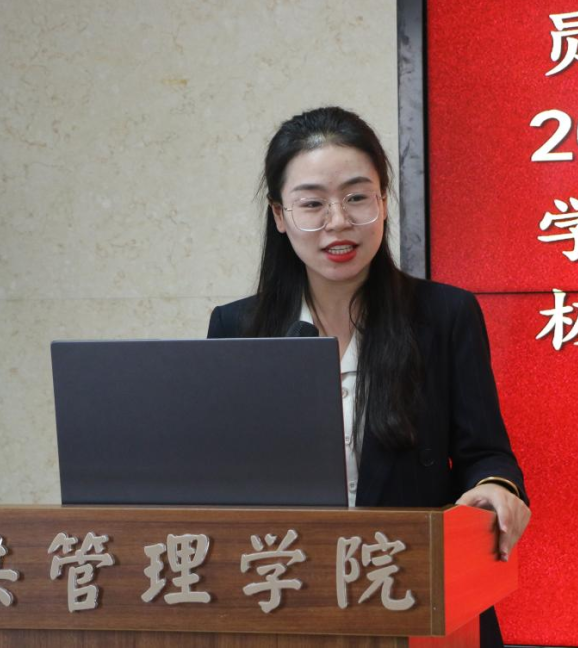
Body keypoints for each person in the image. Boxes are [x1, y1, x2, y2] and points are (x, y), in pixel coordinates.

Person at [206, 106, 529, 646]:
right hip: (287, 596)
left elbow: (485, 454)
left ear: (382, 201)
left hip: (414, 594)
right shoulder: (238, 328)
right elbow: (217, 477)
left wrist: (495, 487)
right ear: (280, 215)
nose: (338, 221)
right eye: (313, 203)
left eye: (357, 197)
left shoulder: (445, 316)